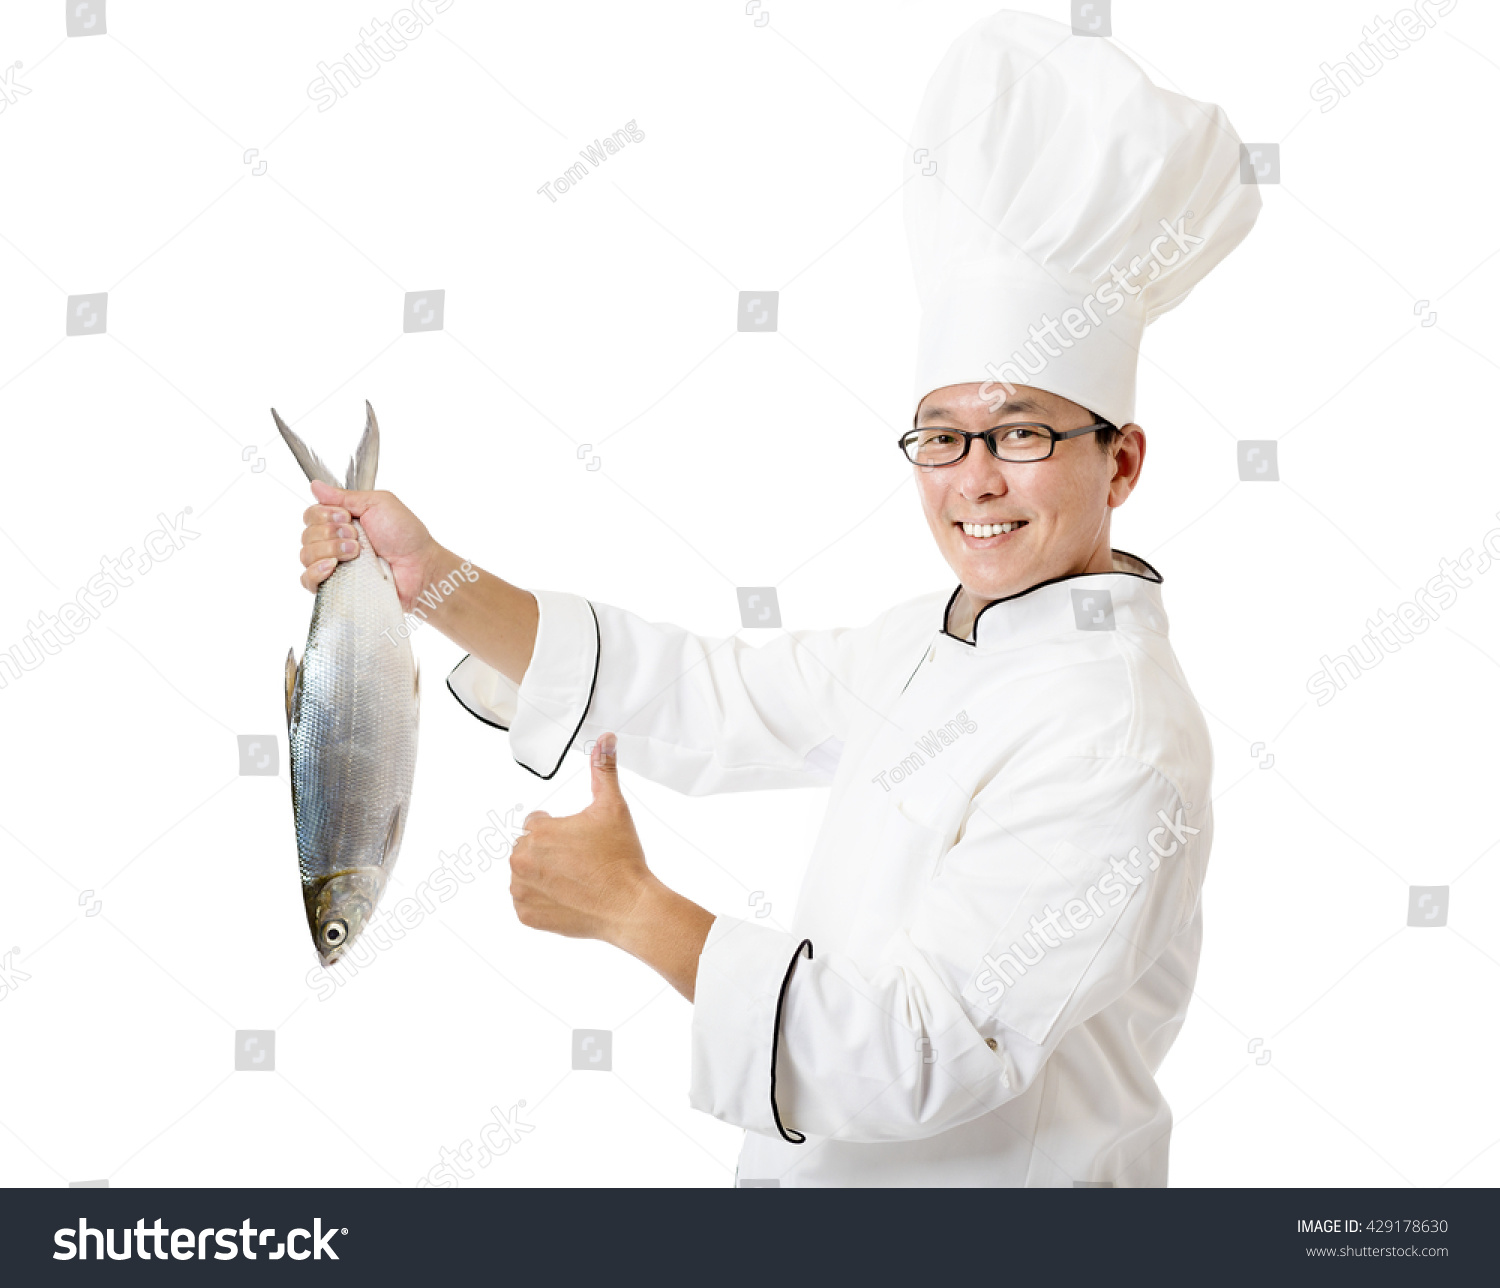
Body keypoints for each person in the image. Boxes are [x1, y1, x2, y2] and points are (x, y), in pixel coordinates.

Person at [294, 10, 1261, 1185]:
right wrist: (426, 576)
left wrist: (635, 911)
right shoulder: (931, 639)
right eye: (942, 438)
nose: (975, 481)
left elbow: (924, 1049)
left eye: (1021, 432)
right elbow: (712, 694)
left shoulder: (1119, 735)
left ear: (1121, 461)